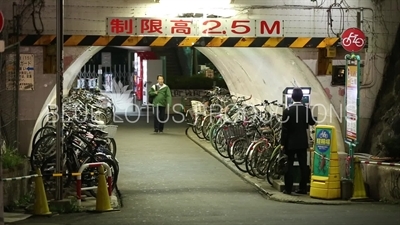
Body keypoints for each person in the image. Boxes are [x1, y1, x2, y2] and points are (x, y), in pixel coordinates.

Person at [280, 87, 316, 195]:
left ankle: (288, 189)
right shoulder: (306, 110)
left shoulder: (287, 111)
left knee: (289, 165)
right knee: (303, 165)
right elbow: (312, 122)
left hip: (290, 143)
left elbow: (284, 129)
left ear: (291, 97)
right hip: (302, 142)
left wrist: (282, 143)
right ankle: (303, 188)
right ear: (302, 97)